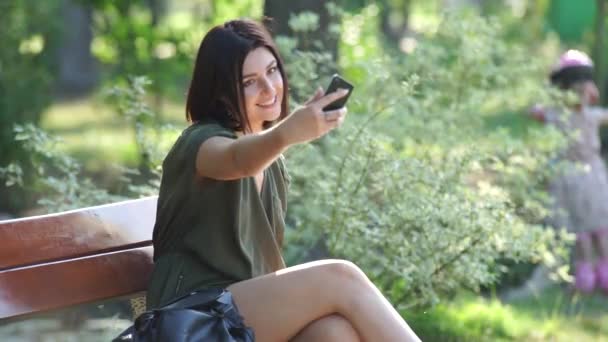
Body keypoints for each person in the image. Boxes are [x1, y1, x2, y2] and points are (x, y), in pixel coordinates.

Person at [146, 18, 421, 341]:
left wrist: (282, 137)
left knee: (334, 333)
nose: (269, 88)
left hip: (236, 316)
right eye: (249, 81)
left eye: (272, 71)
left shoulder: (272, 162)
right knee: (340, 277)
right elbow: (237, 159)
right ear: (220, 92)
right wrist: (289, 132)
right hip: (187, 322)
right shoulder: (201, 145)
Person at [530, 49, 608, 294]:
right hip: (588, 175)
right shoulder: (589, 115)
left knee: (586, 231)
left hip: (574, 176)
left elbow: (535, 109)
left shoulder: (556, 115)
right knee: (592, 231)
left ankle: (587, 278)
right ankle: (596, 277)